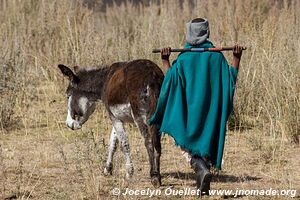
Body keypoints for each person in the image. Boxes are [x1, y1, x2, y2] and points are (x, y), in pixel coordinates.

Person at [149, 18, 243, 195]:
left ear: (189, 33)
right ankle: (202, 176)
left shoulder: (183, 59)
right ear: (207, 32)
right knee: (206, 140)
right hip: (209, 115)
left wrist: (165, 60)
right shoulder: (217, 57)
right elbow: (230, 81)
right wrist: (237, 59)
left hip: (188, 115)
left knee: (188, 145)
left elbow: (170, 82)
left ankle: (200, 168)